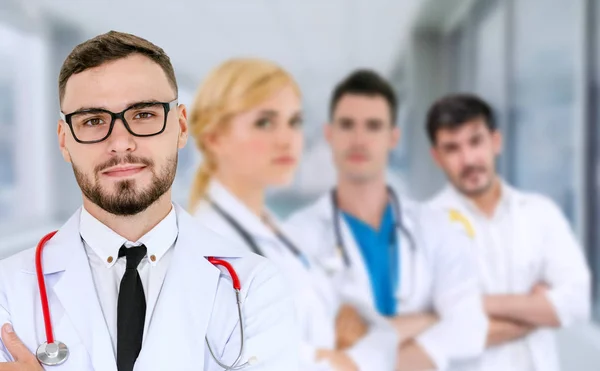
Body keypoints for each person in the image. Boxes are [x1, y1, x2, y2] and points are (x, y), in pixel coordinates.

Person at [0, 31, 299, 371]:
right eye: (94, 121)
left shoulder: (252, 286)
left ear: (181, 126)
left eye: (143, 115)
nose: (121, 143)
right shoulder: (8, 290)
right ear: (65, 141)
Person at [188, 58, 398, 371]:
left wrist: (338, 351)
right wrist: (340, 358)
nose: (287, 139)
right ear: (214, 138)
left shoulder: (277, 231)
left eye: (295, 122)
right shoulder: (206, 247)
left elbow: (376, 332)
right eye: (265, 122)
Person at [286, 70, 487, 370]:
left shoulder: (435, 228)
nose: (359, 139)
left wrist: (362, 358)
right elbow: (297, 349)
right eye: (347, 125)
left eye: (373, 126)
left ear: (393, 137)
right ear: (330, 135)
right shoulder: (296, 238)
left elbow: (470, 329)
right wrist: (429, 320)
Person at [425, 93, 591, 371]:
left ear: (496, 142)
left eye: (476, 142)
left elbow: (577, 303)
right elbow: (436, 334)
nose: (467, 160)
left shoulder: (540, 213)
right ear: (437, 157)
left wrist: (481, 304)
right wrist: (536, 310)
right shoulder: (424, 229)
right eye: (452, 148)